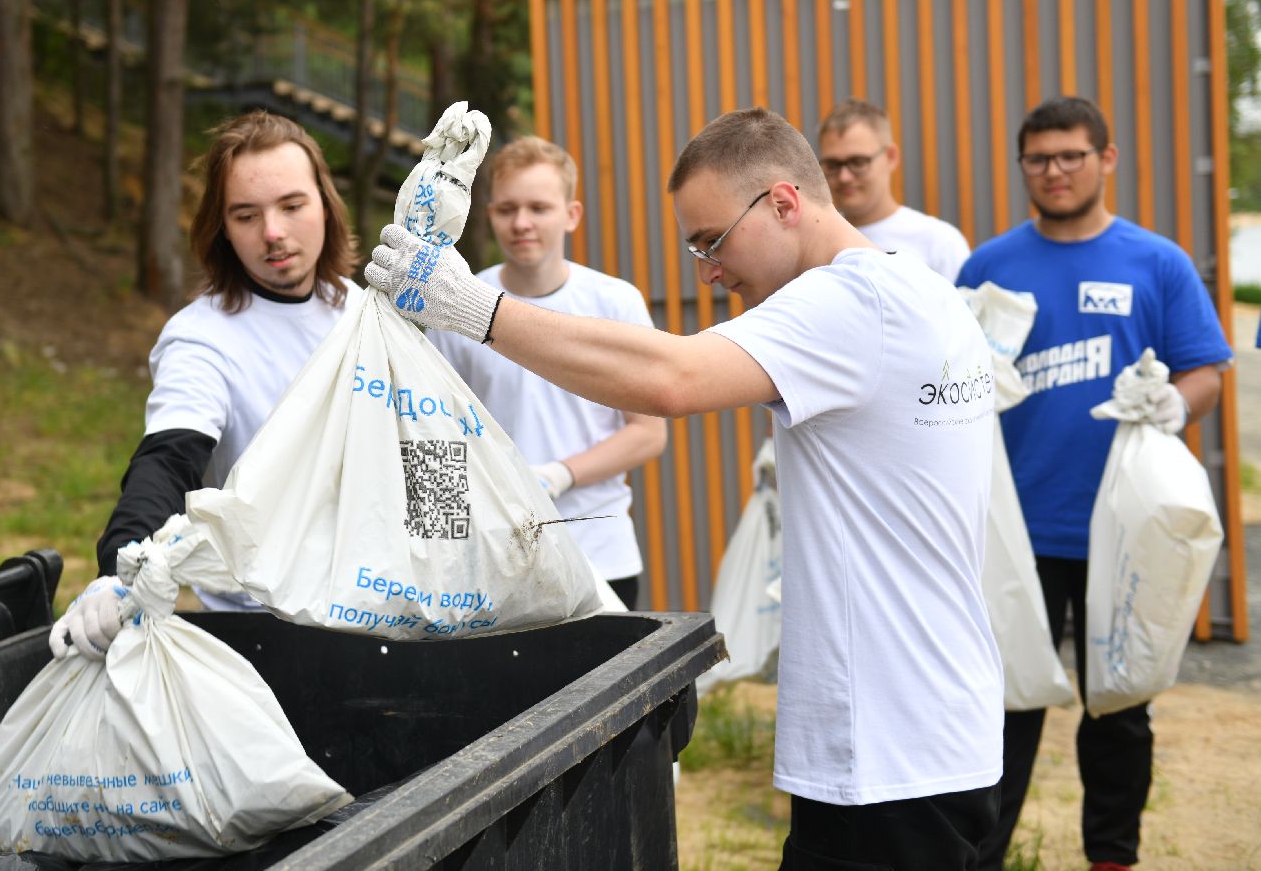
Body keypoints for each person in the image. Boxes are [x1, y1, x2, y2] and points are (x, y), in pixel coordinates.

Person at [368, 106, 1004, 870]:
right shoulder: (915, 289)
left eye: (712, 240)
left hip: (892, 740)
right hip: (925, 719)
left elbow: (670, 381)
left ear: (782, 203)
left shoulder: (850, 300)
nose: (707, 269)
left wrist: (473, 309)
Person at [956, 95, 1232, 871]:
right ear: (1022, 168)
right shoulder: (989, 266)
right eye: (1039, 159)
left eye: (1071, 155)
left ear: (1106, 159)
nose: (1055, 171)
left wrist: (1176, 401)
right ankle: (982, 856)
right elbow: (946, 380)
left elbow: (1206, 369)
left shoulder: (1157, 262)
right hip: (1017, 533)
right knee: (1001, 714)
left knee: (1120, 712)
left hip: (1124, 533)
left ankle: (1112, 857)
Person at [49, 110, 359, 659]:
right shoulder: (203, 339)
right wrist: (116, 568)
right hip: (267, 631)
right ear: (221, 227)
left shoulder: (366, 316)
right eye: (246, 215)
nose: (273, 233)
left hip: (392, 613)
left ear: (325, 205)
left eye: (291, 206)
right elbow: (169, 460)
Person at [429, 137, 667, 608]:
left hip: (601, 552)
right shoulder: (457, 302)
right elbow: (435, 430)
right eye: (507, 209)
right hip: (495, 560)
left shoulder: (614, 302)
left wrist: (560, 475)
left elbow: (648, 434)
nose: (522, 223)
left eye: (539, 207)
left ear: (571, 215)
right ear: (489, 213)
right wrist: (440, 546)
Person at [818, 98, 971, 281]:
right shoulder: (816, 242)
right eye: (832, 164)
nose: (844, 177)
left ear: (891, 157)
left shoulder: (939, 242)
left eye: (858, 162)